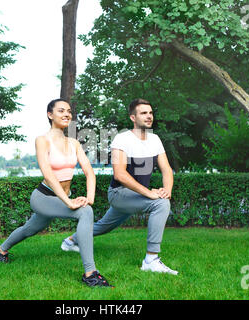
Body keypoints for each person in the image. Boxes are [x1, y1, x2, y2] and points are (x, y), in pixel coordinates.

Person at [0, 98, 113, 288]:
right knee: (85, 213)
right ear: (50, 115)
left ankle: (0, 251)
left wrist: (89, 198)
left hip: (61, 198)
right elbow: (47, 174)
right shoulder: (42, 140)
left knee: (29, 229)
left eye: (69, 111)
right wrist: (69, 202)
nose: (67, 114)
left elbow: (89, 171)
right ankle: (91, 274)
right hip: (43, 197)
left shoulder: (73, 142)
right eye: (61, 111)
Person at [62, 98, 178, 275]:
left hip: (134, 196)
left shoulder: (155, 139)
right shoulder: (121, 139)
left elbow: (167, 169)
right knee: (160, 204)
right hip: (119, 194)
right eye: (143, 113)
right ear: (133, 117)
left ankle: (70, 241)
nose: (149, 116)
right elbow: (120, 174)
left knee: (103, 226)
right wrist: (150, 193)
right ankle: (151, 260)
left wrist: (166, 189)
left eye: (150, 113)